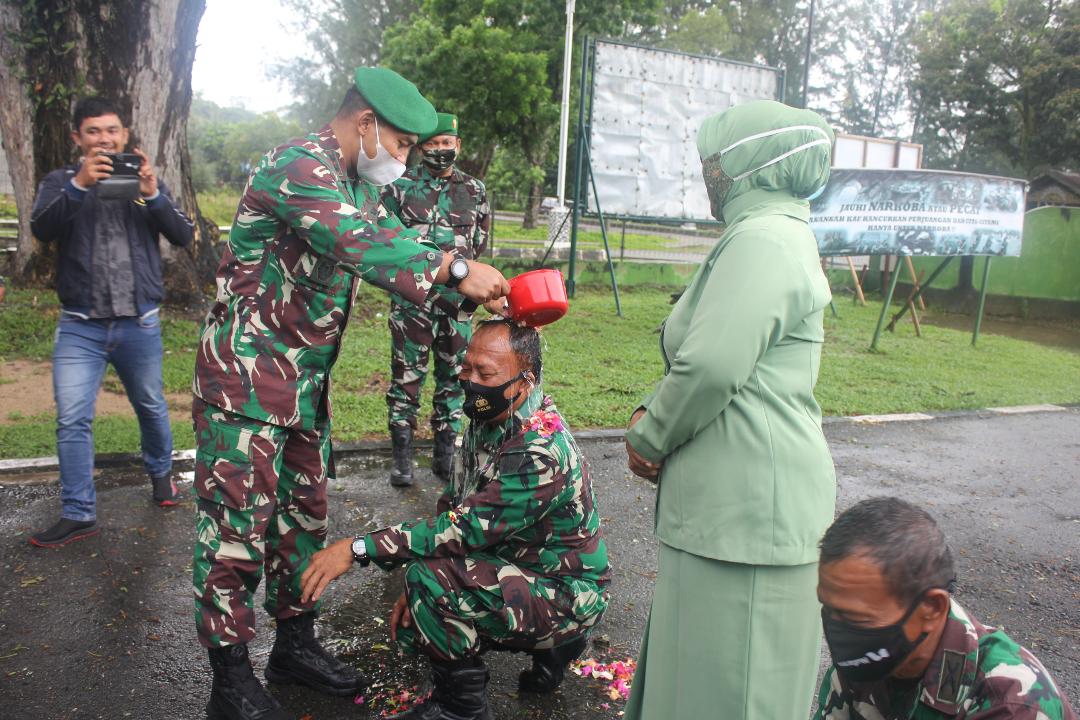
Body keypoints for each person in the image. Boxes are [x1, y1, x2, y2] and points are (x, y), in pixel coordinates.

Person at [190, 67, 509, 720]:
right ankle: (228, 679)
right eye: (399, 143)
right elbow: (357, 243)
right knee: (234, 533)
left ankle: (294, 644)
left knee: (301, 520)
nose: (404, 159)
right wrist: (454, 270)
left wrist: (479, 271)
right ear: (365, 123)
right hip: (246, 385)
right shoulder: (297, 168)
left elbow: (404, 239)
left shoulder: (357, 182)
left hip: (302, 387)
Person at [622, 99, 837, 720]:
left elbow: (714, 364)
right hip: (731, 514)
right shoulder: (763, 233)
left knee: (733, 696)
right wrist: (649, 411)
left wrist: (650, 435)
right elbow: (716, 349)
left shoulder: (766, 238)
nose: (708, 176)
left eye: (715, 163)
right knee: (699, 687)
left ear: (751, 163)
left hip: (748, 521)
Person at [300, 319, 609, 720]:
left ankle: (461, 710)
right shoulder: (493, 417)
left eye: (487, 373)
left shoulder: (537, 452)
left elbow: (463, 529)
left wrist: (359, 549)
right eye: (467, 368)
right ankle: (552, 649)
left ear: (524, 381)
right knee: (425, 591)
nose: (471, 381)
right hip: (526, 566)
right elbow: (456, 508)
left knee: (428, 584)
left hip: (566, 592)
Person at [28, 96, 194, 548]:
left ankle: (162, 476)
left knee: (151, 405)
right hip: (81, 326)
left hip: (138, 324)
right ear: (77, 139)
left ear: (125, 134)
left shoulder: (141, 186)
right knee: (72, 420)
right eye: (94, 132)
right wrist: (80, 185)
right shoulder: (60, 182)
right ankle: (79, 513)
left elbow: (183, 234)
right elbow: (41, 229)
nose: (105, 139)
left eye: (112, 131)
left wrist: (153, 195)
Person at [815, 497, 1077, 720]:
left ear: (931, 608)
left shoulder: (1013, 704)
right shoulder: (866, 662)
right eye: (828, 607)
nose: (838, 629)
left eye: (856, 617)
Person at [380, 112, 490, 487]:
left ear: (458, 146)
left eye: (447, 143)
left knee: (454, 382)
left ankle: (444, 457)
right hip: (412, 306)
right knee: (406, 381)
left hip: (457, 307)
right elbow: (386, 246)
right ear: (422, 147)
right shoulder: (399, 188)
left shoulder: (474, 191)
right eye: (433, 144)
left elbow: (479, 244)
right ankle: (402, 460)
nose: (441, 150)